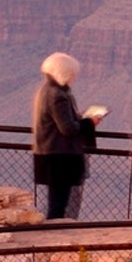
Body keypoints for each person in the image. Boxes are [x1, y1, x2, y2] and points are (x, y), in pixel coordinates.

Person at [31, 51, 94, 221]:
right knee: (58, 203)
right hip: (59, 156)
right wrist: (89, 123)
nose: (74, 76)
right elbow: (67, 128)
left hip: (52, 154)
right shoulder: (57, 95)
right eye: (72, 73)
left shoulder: (46, 90)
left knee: (57, 200)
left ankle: (54, 231)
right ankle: (54, 235)